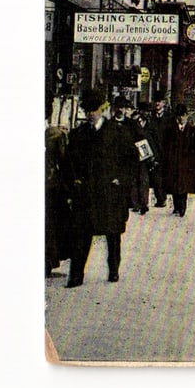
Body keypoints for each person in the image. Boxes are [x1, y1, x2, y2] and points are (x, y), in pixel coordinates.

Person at [65, 88, 134, 287]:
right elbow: (70, 161)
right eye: (87, 110)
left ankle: (113, 269)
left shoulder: (118, 132)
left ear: (102, 110)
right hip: (87, 193)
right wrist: (74, 181)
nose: (90, 114)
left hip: (109, 192)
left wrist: (121, 180)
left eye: (94, 110)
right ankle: (76, 275)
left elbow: (131, 160)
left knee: (112, 235)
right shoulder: (78, 134)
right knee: (82, 235)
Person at [46, 97, 74, 277]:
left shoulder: (55, 135)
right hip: (50, 186)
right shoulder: (56, 135)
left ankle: (46, 262)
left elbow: (64, 164)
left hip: (50, 187)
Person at [109, 95, 149, 215]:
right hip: (116, 159)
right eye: (118, 107)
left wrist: (146, 156)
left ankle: (140, 203)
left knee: (137, 180)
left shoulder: (132, 124)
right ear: (114, 108)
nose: (120, 110)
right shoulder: (109, 125)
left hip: (131, 158)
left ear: (125, 109)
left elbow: (141, 138)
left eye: (122, 107)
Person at [164, 103, 195, 217]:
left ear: (186, 116)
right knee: (175, 184)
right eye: (179, 116)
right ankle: (176, 206)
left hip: (186, 161)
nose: (181, 118)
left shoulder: (191, 130)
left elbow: (193, 147)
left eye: (183, 116)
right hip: (174, 160)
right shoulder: (171, 129)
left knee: (184, 184)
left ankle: (182, 207)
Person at [148, 92, 173, 207]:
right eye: (156, 101)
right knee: (156, 176)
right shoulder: (150, 117)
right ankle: (160, 198)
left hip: (166, 151)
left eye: (160, 101)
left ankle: (163, 196)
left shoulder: (169, 117)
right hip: (154, 150)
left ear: (164, 103)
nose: (157, 103)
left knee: (165, 175)